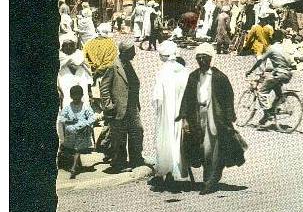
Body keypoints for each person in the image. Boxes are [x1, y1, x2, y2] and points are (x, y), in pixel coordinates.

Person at [179, 43, 243, 194]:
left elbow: (228, 98)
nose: (201, 61)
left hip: (214, 117)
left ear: (210, 59)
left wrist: (229, 116)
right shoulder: (193, 76)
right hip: (196, 117)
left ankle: (210, 180)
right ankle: (211, 176)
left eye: (204, 58)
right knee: (200, 148)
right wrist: (185, 119)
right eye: (198, 58)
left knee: (211, 148)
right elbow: (187, 99)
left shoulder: (219, 77)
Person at [99, 38, 145, 173]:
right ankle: (119, 163)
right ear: (125, 52)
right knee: (119, 137)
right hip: (119, 108)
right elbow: (104, 87)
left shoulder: (128, 64)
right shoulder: (113, 66)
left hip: (132, 107)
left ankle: (136, 159)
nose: (135, 54)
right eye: (133, 51)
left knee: (137, 131)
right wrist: (108, 105)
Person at [150, 40, 188, 185]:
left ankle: (168, 170)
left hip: (166, 113)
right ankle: (176, 169)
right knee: (178, 140)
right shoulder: (182, 69)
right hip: (181, 112)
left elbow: (157, 98)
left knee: (166, 140)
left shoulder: (163, 72)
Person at [246, 29, 296, 128]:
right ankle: (271, 111)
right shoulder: (284, 48)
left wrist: (250, 70)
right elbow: (290, 62)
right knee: (277, 92)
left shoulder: (271, 48)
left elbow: (260, 60)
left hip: (279, 74)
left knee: (261, 91)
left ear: (273, 38)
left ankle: (267, 114)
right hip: (288, 74)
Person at [58, 85, 96, 179]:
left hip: (82, 131)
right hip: (71, 132)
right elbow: (61, 117)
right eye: (74, 97)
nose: (76, 99)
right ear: (71, 96)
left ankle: (74, 168)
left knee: (77, 149)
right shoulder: (67, 108)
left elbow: (92, 117)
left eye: (78, 97)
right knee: (74, 149)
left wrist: (85, 124)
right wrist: (68, 121)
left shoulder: (85, 107)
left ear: (82, 96)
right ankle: (78, 165)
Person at [57, 34, 93, 109]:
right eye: (65, 45)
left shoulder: (79, 54)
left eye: (71, 45)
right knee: (67, 96)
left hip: (80, 77)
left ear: (75, 46)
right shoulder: (59, 56)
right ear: (62, 47)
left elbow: (86, 67)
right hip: (64, 76)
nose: (68, 47)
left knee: (84, 96)